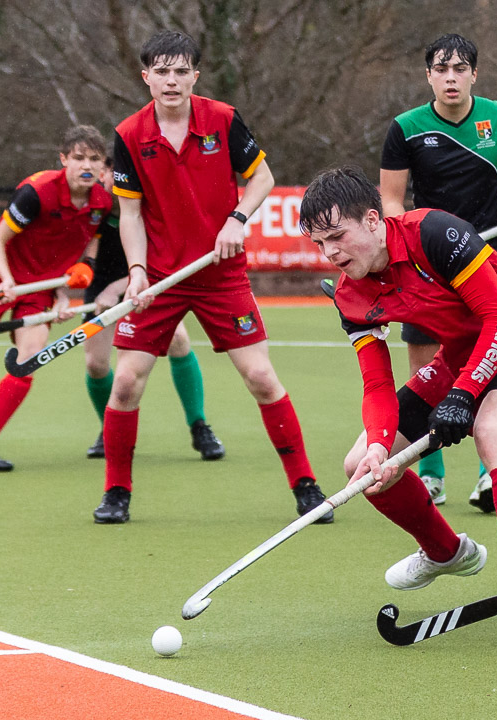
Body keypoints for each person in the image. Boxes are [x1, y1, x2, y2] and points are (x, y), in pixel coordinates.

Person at [300, 165, 497, 641]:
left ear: (371, 220)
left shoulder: (434, 233)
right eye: (319, 243)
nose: (330, 253)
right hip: (461, 356)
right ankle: (448, 553)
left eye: (337, 236)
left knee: (491, 431)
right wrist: (380, 446)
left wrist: (464, 396)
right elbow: (377, 387)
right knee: (360, 467)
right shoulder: (350, 297)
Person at [96, 30, 326, 525]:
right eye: (161, 71)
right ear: (146, 77)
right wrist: (136, 271)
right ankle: (117, 491)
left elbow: (261, 178)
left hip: (221, 275)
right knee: (127, 383)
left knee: (262, 378)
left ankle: (305, 485)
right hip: (160, 275)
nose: (171, 80)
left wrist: (237, 220)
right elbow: (130, 217)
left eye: (181, 71)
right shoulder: (130, 134)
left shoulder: (221, 120)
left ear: (195, 75)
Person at [380, 33, 497, 511]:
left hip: (488, 260)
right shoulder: (406, 127)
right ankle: (431, 473)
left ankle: (488, 475)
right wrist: (411, 239)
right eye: (442, 68)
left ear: (474, 74)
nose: (451, 76)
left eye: (460, 68)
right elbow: (391, 200)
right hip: (427, 264)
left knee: (491, 358)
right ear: (429, 75)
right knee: (426, 367)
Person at [0, 125, 111, 472]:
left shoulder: (101, 201)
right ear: (63, 160)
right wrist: (7, 279)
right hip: (0, 274)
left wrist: (70, 283)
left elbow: (82, 241)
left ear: (103, 166)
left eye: (95, 159)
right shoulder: (37, 192)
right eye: (79, 158)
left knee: (30, 357)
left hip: (41, 285)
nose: (87, 166)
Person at [80, 158, 224, 461]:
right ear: (104, 176)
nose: (115, 182)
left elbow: (160, 256)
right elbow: (78, 250)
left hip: (148, 281)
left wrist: (120, 288)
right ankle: (109, 427)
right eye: (110, 175)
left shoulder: (149, 209)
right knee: (95, 363)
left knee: (179, 341)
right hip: (102, 288)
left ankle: (199, 426)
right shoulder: (94, 207)